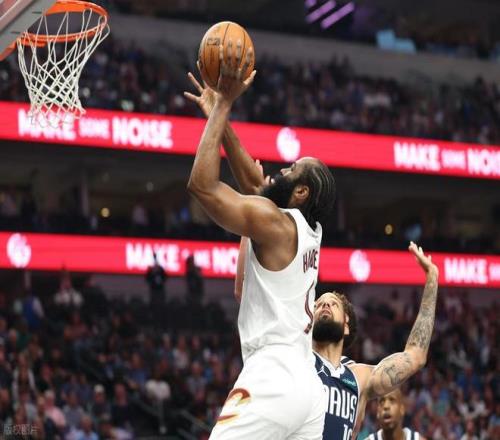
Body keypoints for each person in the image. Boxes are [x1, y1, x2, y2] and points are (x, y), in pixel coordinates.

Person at [186, 40, 336, 440]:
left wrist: (224, 104)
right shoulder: (309, 229)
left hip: (274, 376)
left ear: (301, 192)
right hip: (307, 388)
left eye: (292, 169)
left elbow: (202, 187)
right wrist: (218, 116)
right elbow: (256, 186)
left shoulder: (277, 224)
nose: (281, 170)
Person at [312, 242, 438, 439]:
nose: (325, 305)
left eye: (333, 304)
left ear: (346, 325)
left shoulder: (359, 378)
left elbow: (416, 356)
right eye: (318, 304)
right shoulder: (297, 358)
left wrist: (432, 279)